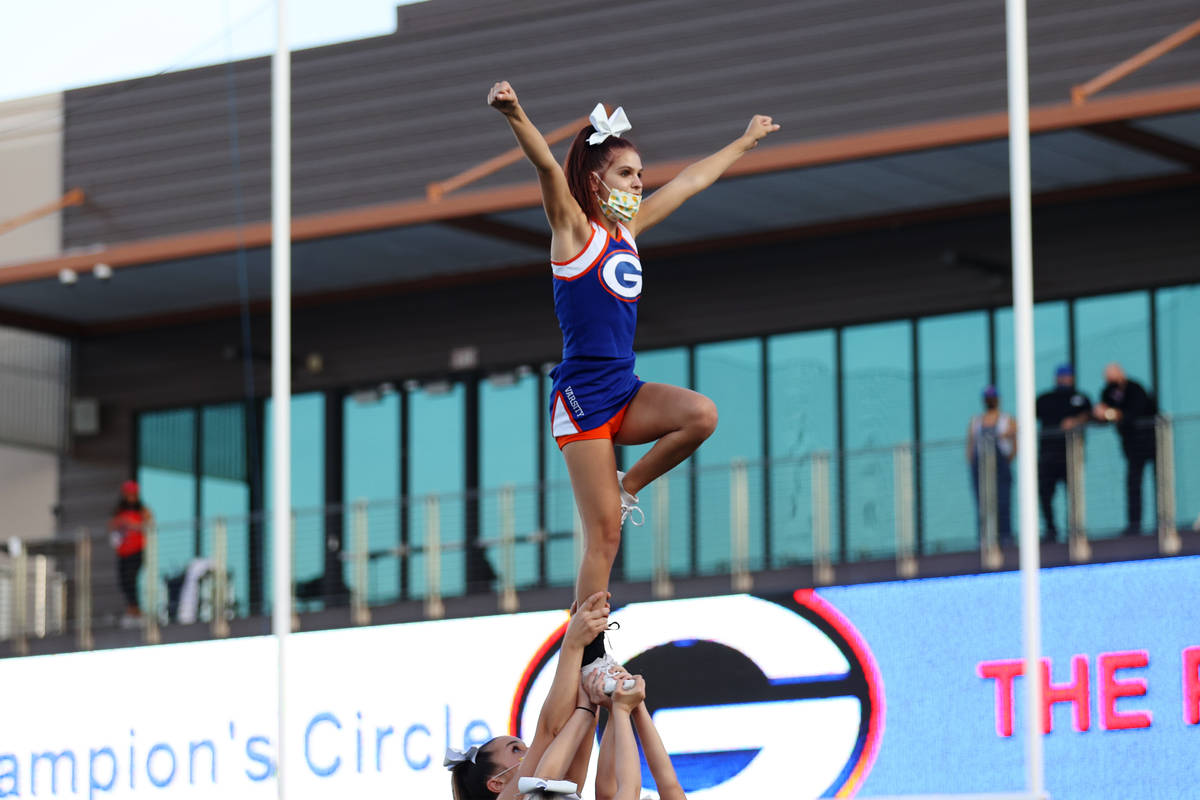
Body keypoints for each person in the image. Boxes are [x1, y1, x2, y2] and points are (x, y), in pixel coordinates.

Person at [487, 81, 779, 671]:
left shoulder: (629, 231)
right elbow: (546, 164)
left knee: (701, 415)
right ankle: (588, 652)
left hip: (625, 389)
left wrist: (744, 143)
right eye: (626, 174)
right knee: (605, 540)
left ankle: (629, 486)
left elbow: (693, 181)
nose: (639, 183)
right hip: (583, 402)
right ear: (596, 181)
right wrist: (515, 112)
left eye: (641, 173)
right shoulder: (574, 233)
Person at [445, 591, 611, 800]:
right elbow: (549, 731)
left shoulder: (552, 790)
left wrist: (586, 654)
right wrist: (573, 644)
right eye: (516, 749)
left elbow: (577, 733)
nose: (531, 749)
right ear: (497, 784)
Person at [1093, 362, 1158, 536]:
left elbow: (1134, 412)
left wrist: (1114, 414)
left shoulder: (1135, 388)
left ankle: (1163, 522)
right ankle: (1134, 525)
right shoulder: (1108, 392)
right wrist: (1101, 414)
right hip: (1131, 446)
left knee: (1160, 482)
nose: (1110, 381)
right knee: (1133, 483)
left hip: (1152, 442)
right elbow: (1103, 413)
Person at [1034, 365, 1091, 542]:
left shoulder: (1080, 398)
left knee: (1073, 493)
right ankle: (1051, 529)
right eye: (1062, 376)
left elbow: (1090, 415)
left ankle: (1074, 529)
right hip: (1048, 454)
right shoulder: (1045, 398)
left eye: (1068, 376)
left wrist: (1075, 421)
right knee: (1044, 493)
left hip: (1071, 454)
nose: (1065, 379)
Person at [966, 385, 1016, 542]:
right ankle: (984, 540)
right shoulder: (976, 421)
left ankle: (1005, 539)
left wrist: (1006, 461)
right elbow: (970, 446)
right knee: (983, 505)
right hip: (980, 467)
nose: (990, 401)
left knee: (1003, 503)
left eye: (992, 398)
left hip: (1001, 467)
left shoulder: (1006, 419)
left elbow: (1015, 445)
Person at [108, 479, 152, 627]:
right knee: (123, 581)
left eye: (133, 494)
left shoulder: (142, 510)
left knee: (131, 579)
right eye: (128, 494)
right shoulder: (119, 511)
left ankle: (136, 611)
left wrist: (131, 524)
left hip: (136, 551)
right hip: (123, 552)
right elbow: (112, 526)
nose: (130, 496)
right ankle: (131, 610)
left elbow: (148, 524)